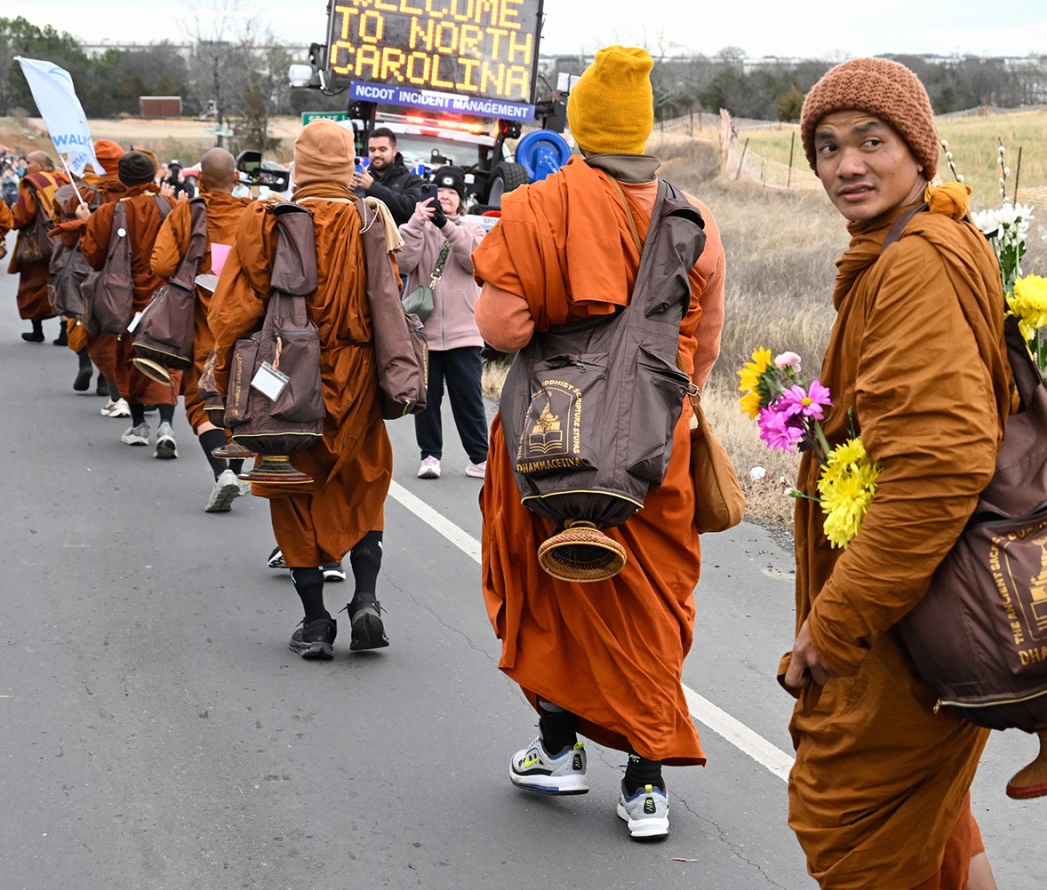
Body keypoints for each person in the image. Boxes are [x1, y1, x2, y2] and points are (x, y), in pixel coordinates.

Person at [473, 46, 726, 842]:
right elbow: (703, 348)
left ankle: (556, 748)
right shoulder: (694, 219)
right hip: (658, 446)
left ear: (577, 126)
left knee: (550, 594)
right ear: (644, 129)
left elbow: (501, 327)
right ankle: (645, 786)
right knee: (650, 607)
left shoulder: (539, 206)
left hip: (553, 433)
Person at [780, 58, 1010, 890]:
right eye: (830, 148)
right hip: (915, 607)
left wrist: (835, 626)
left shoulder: (915, 263)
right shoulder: (908, 249)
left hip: (905, 620)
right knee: (932, 816)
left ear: (919, 150)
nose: (848, 165)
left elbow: (937, 469)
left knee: (847, 818)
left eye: (872, 141)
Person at [208, 120, 397, 660]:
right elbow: (389, 302)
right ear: (346, 163)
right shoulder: (369, 219)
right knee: (363, 478)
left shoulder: (267, 221)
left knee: (289, 482)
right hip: (357, 374)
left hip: (284, 375)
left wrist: (225, 375)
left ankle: (315, 621)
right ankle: (364, 598)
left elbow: (235, 310)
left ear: (299, 164)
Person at [150, 147, 257, 511]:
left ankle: (222, 474)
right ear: (237, 179)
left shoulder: (186, 213)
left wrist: (194, 273)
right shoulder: (253, 215)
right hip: (246, 321)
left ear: (198, 179)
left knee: (202, 400)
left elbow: (161, 263)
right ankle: (236, 473)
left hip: (203, 321)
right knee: (240, 398)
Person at [80, 150, 180, 455]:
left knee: (129, 356)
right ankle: (166, 424)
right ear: (152, 176)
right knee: (164, 357)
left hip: (124, 300)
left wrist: (87, 223)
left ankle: (139, 426)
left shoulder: (107, 213)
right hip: (166, 298)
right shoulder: (170, 206)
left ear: (122, 180)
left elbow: (94, 257)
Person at [396, 165, 489, 479]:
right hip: (425, 333)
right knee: (427, 399)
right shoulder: (418, 228)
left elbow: (473, 260)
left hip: (465, 333)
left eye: (452, 193)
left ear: (461, 200)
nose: (445, 198)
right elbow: (402, 262)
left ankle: (480, 457)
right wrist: (416, 222)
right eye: (440, 192)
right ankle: (430, 457)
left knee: (469, 398)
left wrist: (446, 225)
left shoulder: (472, 229)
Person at [52, 139, 129, 408]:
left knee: (86, 321)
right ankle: (108, 380)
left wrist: (83, 222)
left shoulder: (82, 193)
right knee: (119, 329)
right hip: (127, 272)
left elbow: (68, 240)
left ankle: (91, 365)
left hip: (89, 267)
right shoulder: (135, 192)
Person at [8, 151, 72, 345]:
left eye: (29, 162)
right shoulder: (63, 180)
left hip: (38, 246)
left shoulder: (32, 183)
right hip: (63, 241)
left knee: (32, 286)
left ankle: (37, 331)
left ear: (42, 165)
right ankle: (64, 332)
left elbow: (22, 216)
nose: (26, 166)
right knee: (60, 286)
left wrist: (12, 212)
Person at [352, 127, 422, 226]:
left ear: (394, 151)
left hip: (395, 240)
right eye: (372, 150)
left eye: (382, 149)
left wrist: (373, 187)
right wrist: (349, 191)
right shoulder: (361, 179)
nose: (376, 154)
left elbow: (411, 210)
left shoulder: (412, 180)